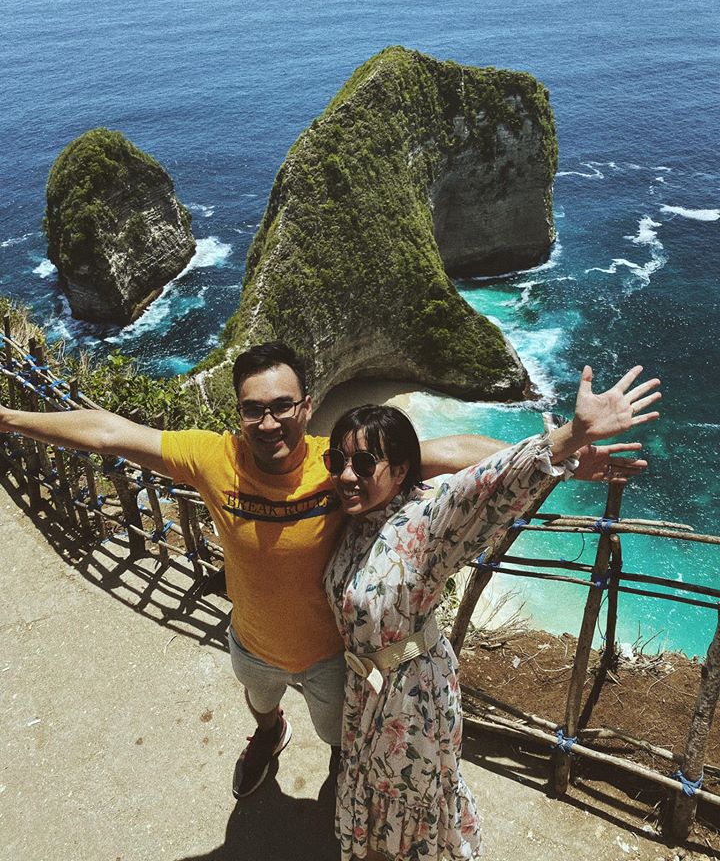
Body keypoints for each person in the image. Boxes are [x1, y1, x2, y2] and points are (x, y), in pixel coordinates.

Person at [3, 341, 642, 798]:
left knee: (341, 739)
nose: (268, 422)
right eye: (253, 408)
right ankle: (268, 735)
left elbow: (451, 453)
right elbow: (108, 431)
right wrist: (7, 418)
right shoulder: (211, 457)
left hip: (332, 657)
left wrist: (563, 453)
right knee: (260, 704)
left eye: (282, 405)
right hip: (250, 641)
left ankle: (343, 775)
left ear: (307, 406)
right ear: (238, 412)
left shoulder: (340, 466)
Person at [322, 365, 661, 861]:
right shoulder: (352, 516)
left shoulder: (427, 522)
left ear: (399, 471)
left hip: (411, 697)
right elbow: (454, 449)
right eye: (338, 461)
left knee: (407, 802)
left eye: (364, 463)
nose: (347, 475)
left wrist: (569, 437)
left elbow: (486, 484)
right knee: (372, 793)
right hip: (364, 690)